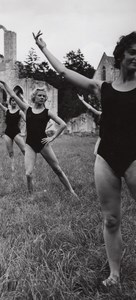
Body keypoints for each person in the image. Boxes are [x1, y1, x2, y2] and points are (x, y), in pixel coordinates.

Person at [33, 30, 136, 287]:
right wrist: (44, 48)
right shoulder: (102, 88)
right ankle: (114, 274)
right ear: (121, 55)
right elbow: (65, 72)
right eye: (133, 52)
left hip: (134, 157)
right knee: (111, 219)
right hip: (106, 158)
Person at [0, 75, 78, 197]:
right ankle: (31, 196)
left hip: (43, 144)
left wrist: (52, 137)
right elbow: (13, 94)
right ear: (34, 97)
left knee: (57, 169)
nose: (42, 97)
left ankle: (71, 191)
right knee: (28, 174)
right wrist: (4, 83)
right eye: (40, 95)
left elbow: (62, 124)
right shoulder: (27, 109)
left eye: (44, 96)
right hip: (30, 144)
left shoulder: (47, 112)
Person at [0, 90, 26, 171]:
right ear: (10, 102)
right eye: (12, 101)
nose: (14, 102)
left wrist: (24, 132)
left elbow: (27, 121)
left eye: (15, 101)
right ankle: (12, 167)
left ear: (17, 102)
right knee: (10, 152)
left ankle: (29, 165)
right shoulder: (6, 110)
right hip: (7, 133)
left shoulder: (20, 112)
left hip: (16, 132)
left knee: (24, 150)